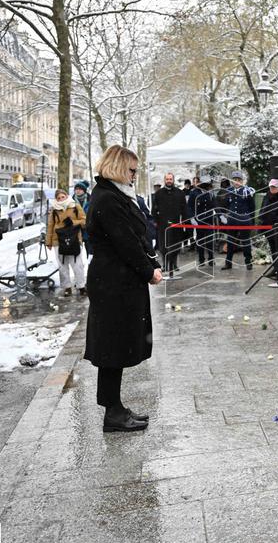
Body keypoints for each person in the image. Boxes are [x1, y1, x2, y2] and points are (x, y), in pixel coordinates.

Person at [85, 145, 163, 433]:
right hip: (113, 283)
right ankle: (112, 412)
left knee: (115, 345)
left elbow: (137, 235)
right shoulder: (108, 197)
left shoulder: (115, 195)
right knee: (111, 347)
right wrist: (147, 270)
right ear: (118, 167)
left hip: (119, 280)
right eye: (131, 169)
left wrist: (150, 262)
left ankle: (115, 407)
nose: (134, 175)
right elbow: (124, 241)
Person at [46, 188, 87, 297]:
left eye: (62, 197)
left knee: (77, 264)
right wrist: (48, 242)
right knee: (62, 265)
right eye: (58, 198)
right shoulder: (54, 209)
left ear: (67, 196)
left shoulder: (75, 206)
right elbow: (50, 225)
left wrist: (73, 222)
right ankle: (67, 287)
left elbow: (84, 221)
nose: (60, 199)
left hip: (74, 239)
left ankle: (81, 286)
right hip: (58, 240)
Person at [151, 172, 188, 272]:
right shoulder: (158, 193)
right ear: (164, 180)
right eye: (167, 179)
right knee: (163, 246)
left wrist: (185, 221)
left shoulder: (180, 193)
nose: (169, 181)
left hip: (176, 223)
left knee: (175, 245)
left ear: (173, 180)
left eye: (170, 179)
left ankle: (174, 264)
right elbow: (154, 209)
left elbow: (184, 209)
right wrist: (155, 221)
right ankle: (165, 265)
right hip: (163, 224)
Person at [222, 170, 255, 271]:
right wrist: (225, 216)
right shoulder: (229, 191)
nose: (237, 182)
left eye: (238, 180)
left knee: (246, 242)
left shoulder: (247, 191)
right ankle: (228, 263)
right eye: (235, 180)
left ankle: (248, 262)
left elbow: (252, 207)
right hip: (232, 219)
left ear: (242, 181)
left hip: (244, 219)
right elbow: (226, 205)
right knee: (230, 242)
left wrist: (251, 219)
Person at [258, 178, 278, 279]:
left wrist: (277, 220)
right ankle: (275, 268)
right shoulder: (267, 196)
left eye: (274, 187)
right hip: (268, 228)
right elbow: (263, 209)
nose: (272, 189)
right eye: (271, 187)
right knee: (273, 249)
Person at [194, 176, 216, 265]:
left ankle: (211, 259)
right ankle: (201, 259)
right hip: (199, 221)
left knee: (210, 241)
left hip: (209, 221)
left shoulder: (211, 194)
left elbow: (215, 205)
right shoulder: (194, 193)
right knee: (201, 241)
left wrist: (220, 215)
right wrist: (192, 218)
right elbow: (190, 206)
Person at [73, 180, 92, 255]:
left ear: (84, 190)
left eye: (80, 189)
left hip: (87, 229)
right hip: (76, 229)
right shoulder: (71, 201)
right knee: (76, 253)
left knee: (90, 251)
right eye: (76, 189)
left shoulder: (91, 200)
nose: (78, 191)